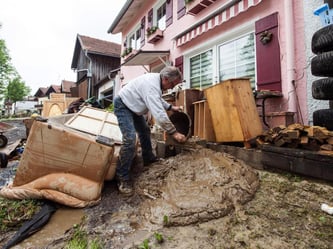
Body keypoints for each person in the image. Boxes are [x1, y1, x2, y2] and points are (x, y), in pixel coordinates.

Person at [113, 66, 187, 196]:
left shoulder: (156, 82)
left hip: (133, 106)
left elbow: (158, 99)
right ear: (165, 78)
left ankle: (149, 158)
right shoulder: (151, 85)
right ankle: (122, 177)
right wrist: (173, 132)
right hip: (123, 105)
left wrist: (170, 107)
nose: (170, 88)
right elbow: (159, 113)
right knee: (130, 139)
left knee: (145, 131)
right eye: (171, 84)